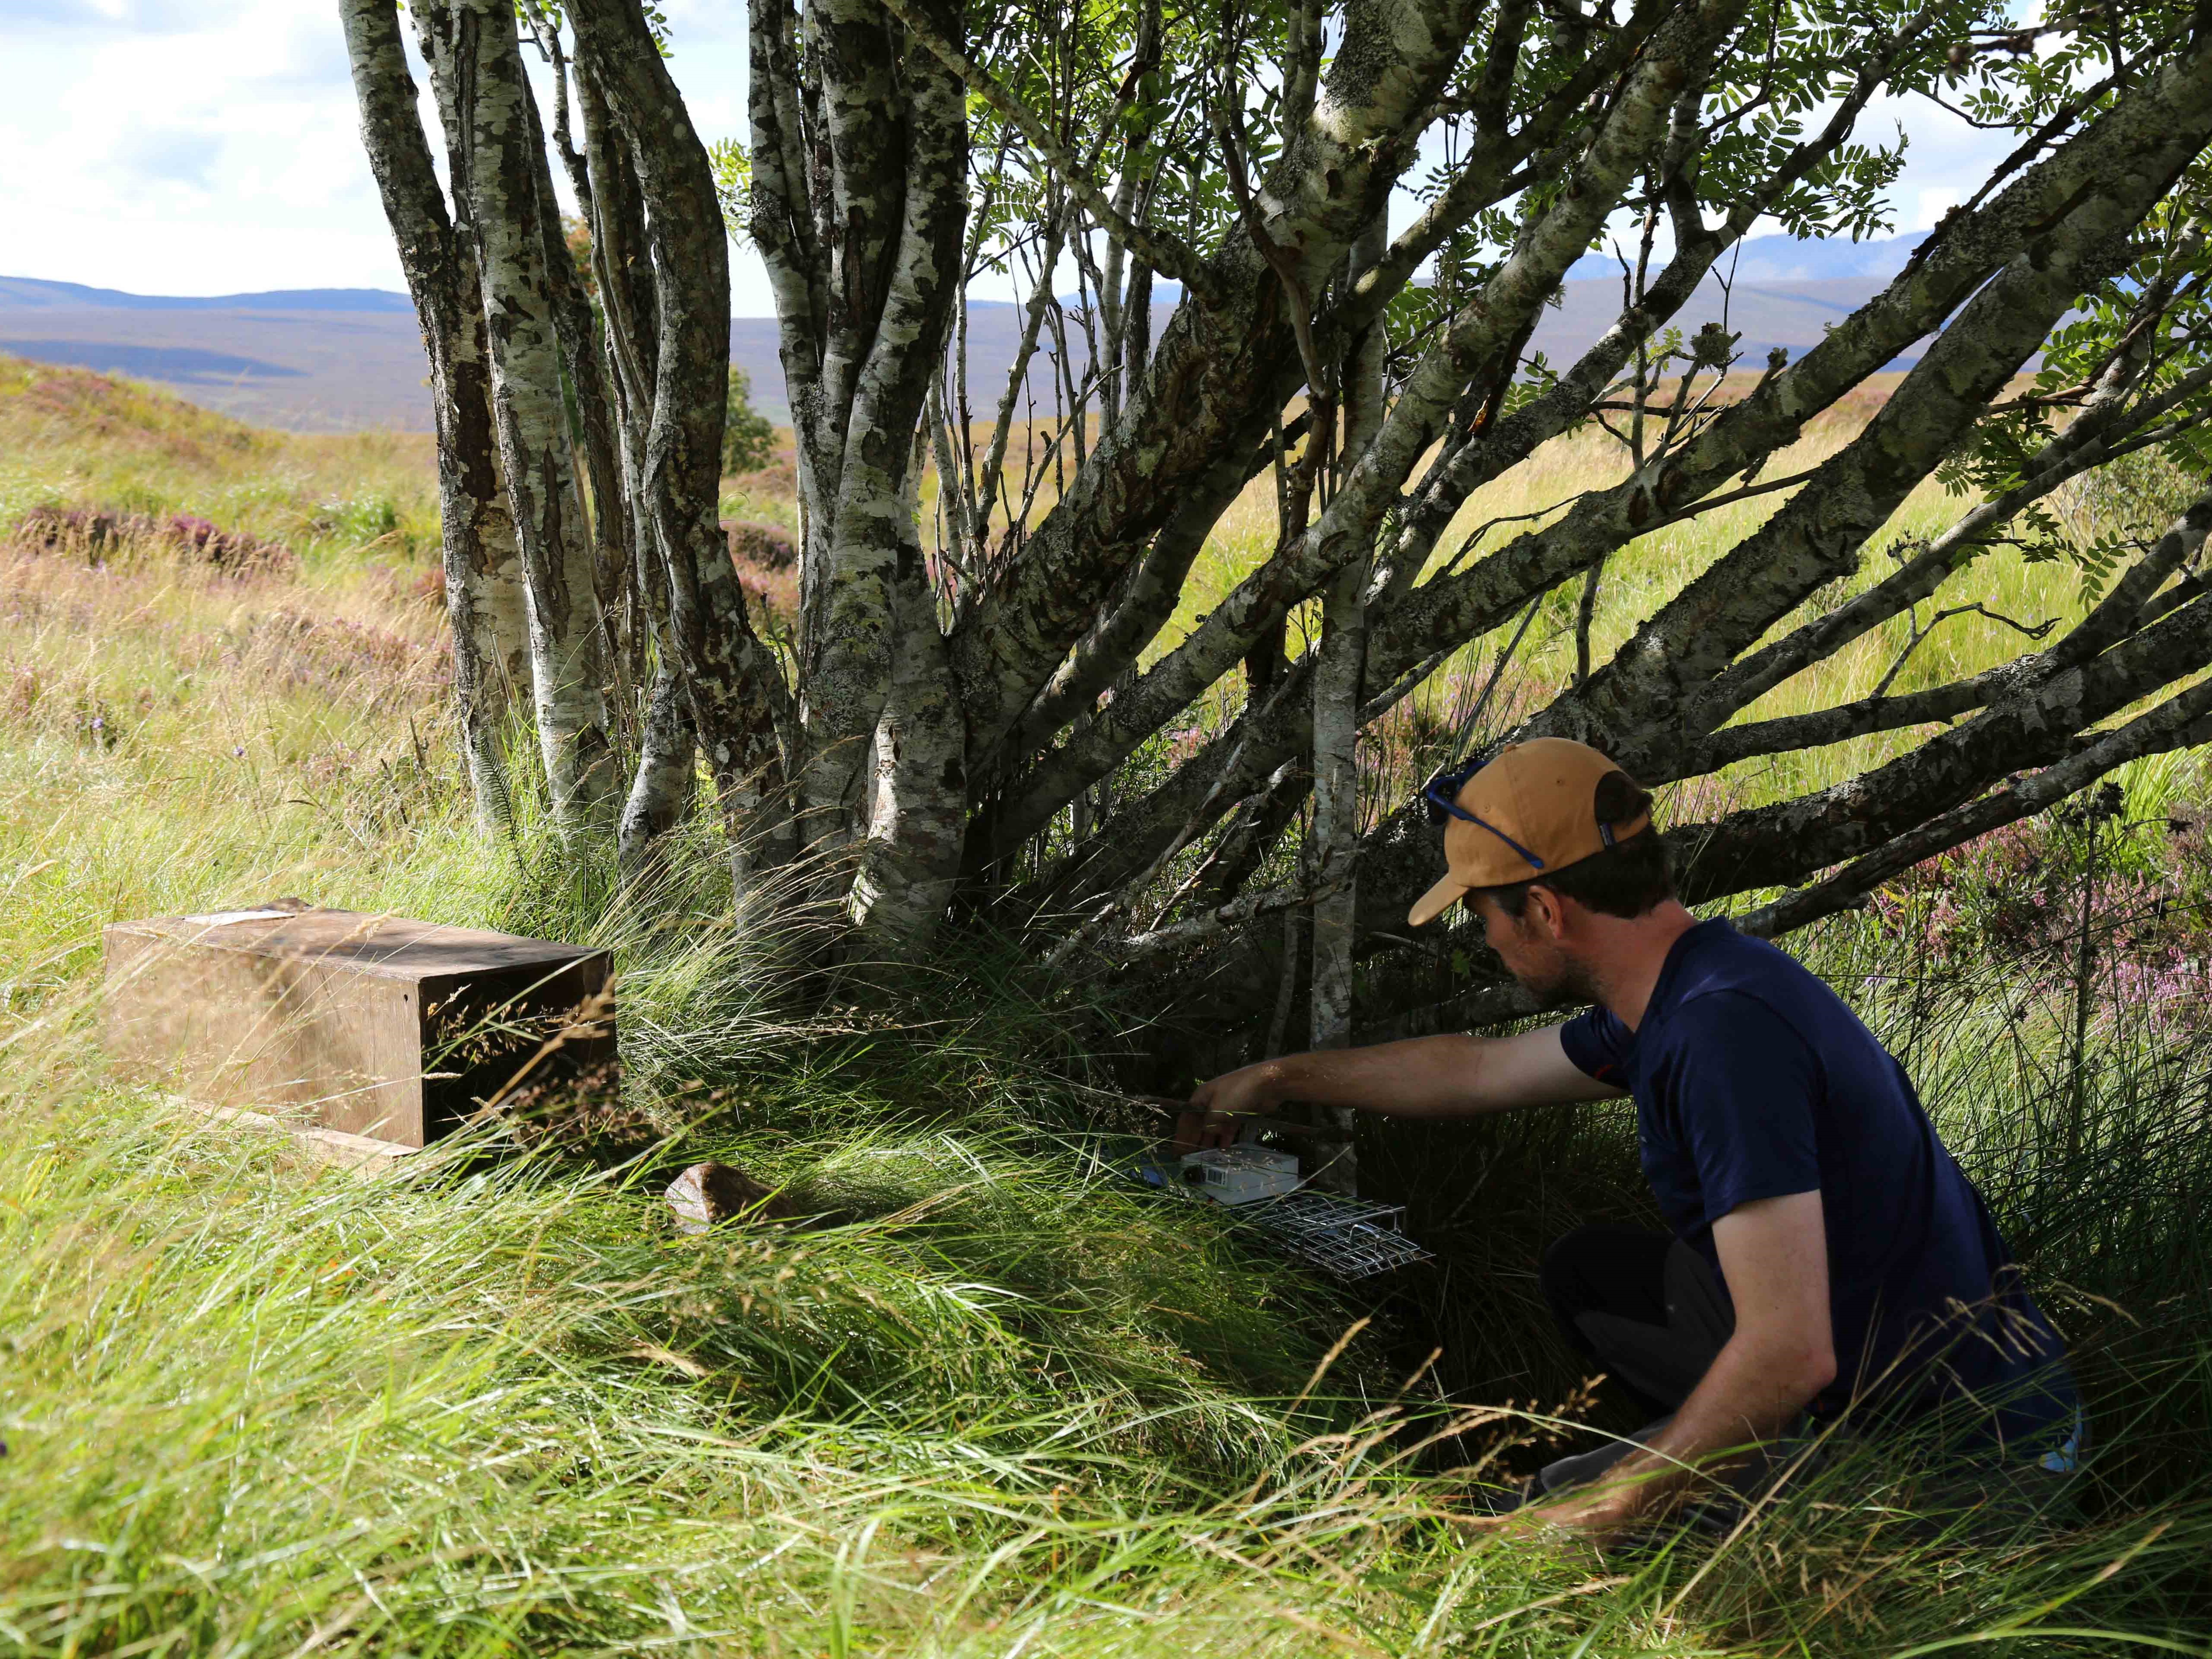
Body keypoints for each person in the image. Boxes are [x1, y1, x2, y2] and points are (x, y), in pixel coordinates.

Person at [1187, 737, 2081, 1544]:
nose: (1487, 941)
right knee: (1594, 1276)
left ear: (1541, 909)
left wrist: (1593, 1514)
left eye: (1484, 917)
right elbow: (1475, 1073)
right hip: (1889, 1369)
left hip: (1961, 1459)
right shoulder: (1687, 984)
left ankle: (1747, 1501)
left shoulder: (1722, 1041)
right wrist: (1274, 1079)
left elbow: (1789, 1351)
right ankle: (1716, 1463)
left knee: (1505, 1547)